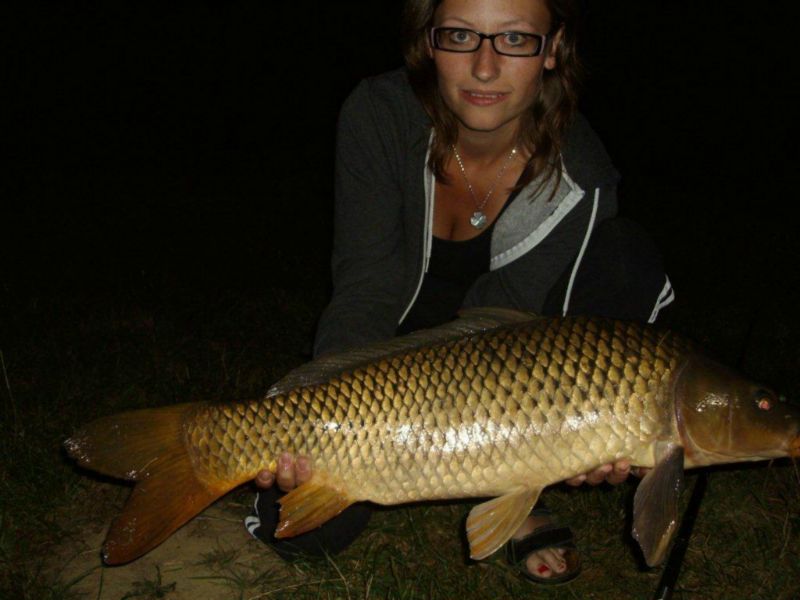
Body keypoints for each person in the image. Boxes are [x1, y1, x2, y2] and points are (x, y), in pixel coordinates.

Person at [245, 0, 672, 585]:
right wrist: (325, 413)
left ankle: (521, 484)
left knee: (625, 256)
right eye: (460, 36)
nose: (485, 67)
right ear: (428, 41)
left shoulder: (580, 174)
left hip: (498, 366)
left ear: (552, 48)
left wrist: (589, 428)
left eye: (514, 39)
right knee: (305, 534)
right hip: (390, 345)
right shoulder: (381, 114)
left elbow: (510, 327)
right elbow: (367, 287)